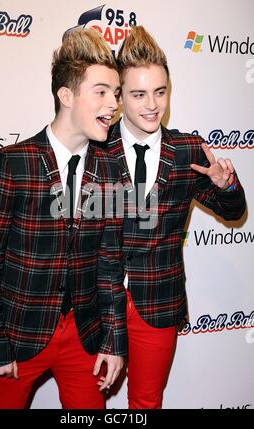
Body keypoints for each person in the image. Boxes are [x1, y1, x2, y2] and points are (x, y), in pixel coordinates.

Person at [0, 27, 127, 409]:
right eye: (101, 91)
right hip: (18, 336)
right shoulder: (13, 163)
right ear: (66, 95)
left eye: (116, 93)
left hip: (84, 338)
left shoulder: (112, 171)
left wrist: (114, 341)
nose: (114, 104)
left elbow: (109, 264)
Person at [105, 25, 246, 409]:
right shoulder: (94, 146)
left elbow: (234, 212)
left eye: (160, 92)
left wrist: (226, 185)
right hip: (97, 304)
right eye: (138, 94)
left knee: (147, 402)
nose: (152, 105)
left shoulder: (187, 151)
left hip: (159, 301)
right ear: (119, 96)